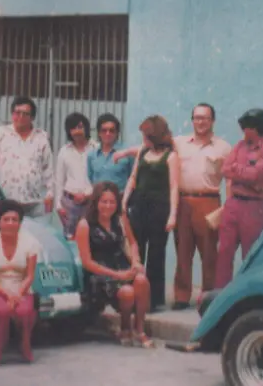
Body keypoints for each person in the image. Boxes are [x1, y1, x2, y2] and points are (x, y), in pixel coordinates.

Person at [74, 181, 153, 348]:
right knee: (127, 292)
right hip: (100, 274)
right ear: (96, 203)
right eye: (104, 201)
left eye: (112, 202)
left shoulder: (120, 220)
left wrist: (136, 261)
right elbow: (87, 262)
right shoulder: (85, 225)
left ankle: (139, 329)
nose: (108, 206)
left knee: (141, 281)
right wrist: (117, 275)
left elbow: (132, 243)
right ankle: (125, 326)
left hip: (121, 265)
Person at [170, 104, 233, 310]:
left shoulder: (223, 147)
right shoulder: (179, 143)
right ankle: (181, 296)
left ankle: (208, 297)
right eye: (197, 118)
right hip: (183, 201)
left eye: (205, 118)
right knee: (182, 250)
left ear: (212, 121)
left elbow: (230, 180)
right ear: (192, 120)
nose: (201, 122)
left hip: (209, 201)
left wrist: (227, 207)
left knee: (209, 252)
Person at [215, 108, 263, 289]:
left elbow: (257, 175)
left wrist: (238, 171)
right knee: (224, 251)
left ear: (256, 127)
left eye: (246, 127)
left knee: (250, 254)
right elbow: (225, 169)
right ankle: (220, 293)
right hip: (234, 203)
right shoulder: (240, 146)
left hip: (253, 207)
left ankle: (248, 291)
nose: (243, 131)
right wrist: (244, 173)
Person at [122, 116, 179, 313]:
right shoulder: (143, 152)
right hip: (139, 205)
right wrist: (124, 200)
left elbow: (173, 187)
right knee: (136, 250)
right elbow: (133, 178)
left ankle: (153, 300)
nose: (143, 139)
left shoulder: (170, 156)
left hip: (159, 208)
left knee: (156, 253)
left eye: (146, 135)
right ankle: (133, 295)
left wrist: (172, 215)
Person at [0, 199, 41, 366]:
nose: (11, 223)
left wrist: (18, 294)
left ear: (20, 223)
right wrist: (6, 294)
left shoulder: (30, 243)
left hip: (22, 289)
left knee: (25, 312)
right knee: (1, 311)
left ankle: (24, 344)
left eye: (15, 220)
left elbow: (30, 276)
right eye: (6, 219)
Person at [0, 96, 55, 218]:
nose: (20, 117)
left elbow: (48, 169)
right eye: (17, 113)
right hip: (8, 201)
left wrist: (50, 194)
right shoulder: (2, 133)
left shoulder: (42, 138)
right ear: (12, 114)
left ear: (32, 117)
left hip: (33, 203)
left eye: (25, 114)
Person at [55, 112, 97, 238]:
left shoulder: (96, 149)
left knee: (91, 238)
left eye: (80, 127)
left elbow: (99, 177)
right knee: (70, 238)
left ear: (86, 128)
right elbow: (59, 179)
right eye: (73, 128)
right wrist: (58, 205)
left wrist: (87, 194)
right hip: (70, 203)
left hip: (91, 201)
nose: (77, 131)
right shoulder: (64, 151)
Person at [87, 113, 133, 196]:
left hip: (120, 200)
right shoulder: (91, 155)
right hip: (98, 201)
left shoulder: (127, 153)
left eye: (112, 130)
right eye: (104, 130)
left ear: (117, 133)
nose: (108, 134)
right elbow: (90, 179)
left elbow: (132, 178)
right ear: (99, 133)